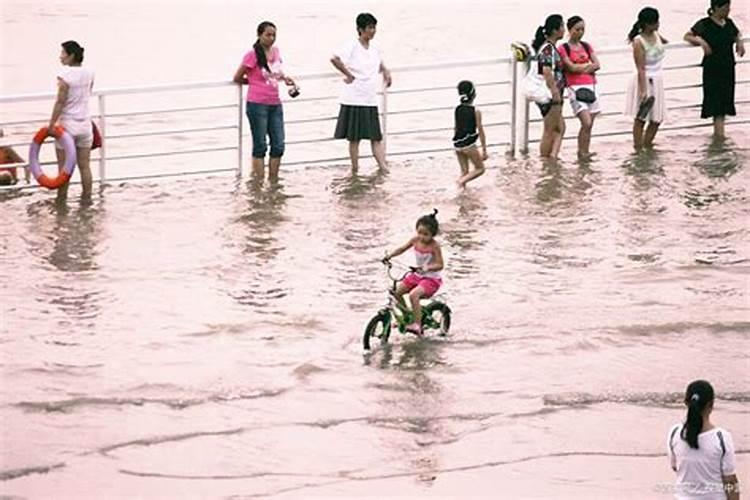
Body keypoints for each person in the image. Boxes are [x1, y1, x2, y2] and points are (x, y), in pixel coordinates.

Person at [234, 21, 297, 182]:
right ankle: (259, 183)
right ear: (259, 35)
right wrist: (254, 82)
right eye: (268, 34)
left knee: (278, 145)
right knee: (260, 145)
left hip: (275, 104)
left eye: (274, 35)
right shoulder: (252, 55)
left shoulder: (276, 51)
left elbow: (275, 71)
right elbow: (237, 77)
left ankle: (273, 182)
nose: (271, 38)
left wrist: (285, 78)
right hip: (257, 104)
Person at [330, 12, 392, 172]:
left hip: (370, 98)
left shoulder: (375, 48)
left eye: (374, 27)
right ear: (360, 29)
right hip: (354, 96)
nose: (373, 31)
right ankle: (355, 168)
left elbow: (378, 63)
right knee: (355, 138)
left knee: (375, 136)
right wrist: (348, 74)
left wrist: (385, 71)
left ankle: (383, 167)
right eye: (370, 28)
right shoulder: (352, 45)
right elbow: (335, 59)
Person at [667, 380, 740, 500]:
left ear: (686, 402)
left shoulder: (674, 433)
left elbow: (675, 467)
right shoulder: (721, 438)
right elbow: (730, 481)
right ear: (711, 405)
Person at [684, 0, 745, 139]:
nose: (728, 10)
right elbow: (688, 35)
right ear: (716, 7)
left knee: (724, 105)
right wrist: (701, 41)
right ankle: (718, 137)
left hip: (728, 68)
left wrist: (739, 41)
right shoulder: (705, 23)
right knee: (716, 106)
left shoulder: (729, 23)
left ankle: (720, 137)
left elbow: (736, 33)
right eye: (725, 7)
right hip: (712, 69)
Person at [383, 209, 444, 335]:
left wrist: (426, 268)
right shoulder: (415, 240)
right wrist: (389, 256)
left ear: (433, 234)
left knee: (413, 295)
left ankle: (417, 324)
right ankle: (407, 317)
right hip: (417, 275)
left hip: (431, 279)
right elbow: (402, 249)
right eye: (419, 232)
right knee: (397, 292)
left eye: (426, 234)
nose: (422, 236)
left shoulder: (434, 246)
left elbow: (440, 265)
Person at [48, 40, 94, 203]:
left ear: (71, 56)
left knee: (64, 168)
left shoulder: (64, 76)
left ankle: (61, 201)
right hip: (85, 125)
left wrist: (51, 124)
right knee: (85, 166)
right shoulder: (90, 72)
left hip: (67, 126)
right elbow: (88, 92)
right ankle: (87, 200)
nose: (60, 57)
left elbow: (60, 101)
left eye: (63, 53)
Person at [624, 8, 668, 151]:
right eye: (654, 22)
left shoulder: (656, 34)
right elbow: (640, 68)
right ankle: (638, 148)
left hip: (658, 78)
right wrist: (643, 91)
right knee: (641, 117)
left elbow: (663, 42)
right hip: (645, 79)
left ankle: (647, 144)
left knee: (657, 119)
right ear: (646, 24)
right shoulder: (638, 41)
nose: (657, 24)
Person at [559, 16, 601, 159]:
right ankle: (581, 151)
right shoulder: (563, 48)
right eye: (577, 29)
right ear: (569, 30)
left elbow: (597, 64)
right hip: (575, 88)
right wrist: (586, 67)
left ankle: (585, 151)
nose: (580, 32)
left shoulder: (587, 46)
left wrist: (580, 68)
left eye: (582, 29)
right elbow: (570, 67)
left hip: (591, 86)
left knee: (590, 124)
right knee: (586, 121)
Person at [532, 15, 566, 159]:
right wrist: (555, 92)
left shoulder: (550, 47)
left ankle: (553, 157)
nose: (564, 30)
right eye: (562, 26)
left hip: (553, 94)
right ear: (555, 30)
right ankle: (545, 159)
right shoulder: (548, 49)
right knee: (550, 129)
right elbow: (546, 70)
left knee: (560, 127)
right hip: (550, 95)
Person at [452, 80, 487, 188]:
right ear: (474, 94)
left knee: (464, 172)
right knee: (480, 169)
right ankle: (459, 183)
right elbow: (480, 130)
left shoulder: (457, 109)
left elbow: (455, 128)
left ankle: (461, 194)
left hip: (457, 145)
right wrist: (484, 150)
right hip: (469, 145)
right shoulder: (476, 111)